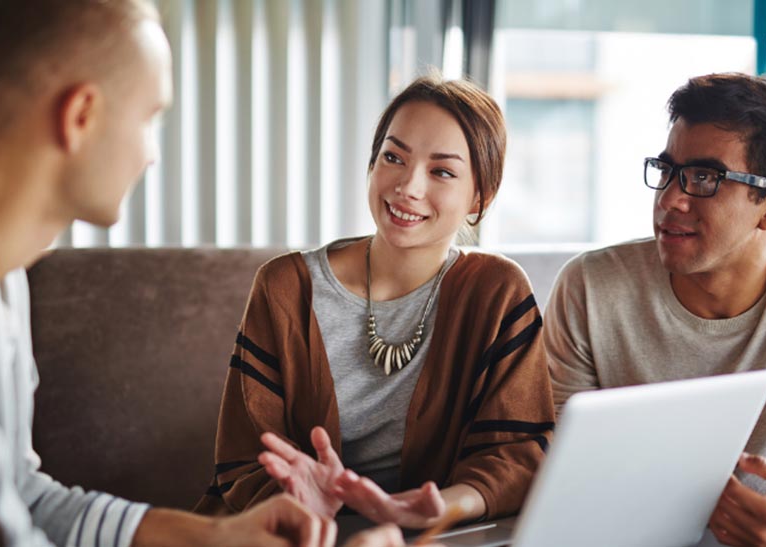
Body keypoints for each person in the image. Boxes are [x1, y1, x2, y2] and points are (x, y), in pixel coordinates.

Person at [0, 1, 403, 546]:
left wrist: (215, 538)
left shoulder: (4, 280)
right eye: (149, 117)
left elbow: (21, 496)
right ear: (80, 116)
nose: (152, 154)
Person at [195, 75, 555, 529]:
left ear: (480, 195)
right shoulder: (285, 286)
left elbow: (518, 456)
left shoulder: (497, 292)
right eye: (393, 157)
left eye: (441, 171)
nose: (408, 186)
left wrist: (440, 508)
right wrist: (305, 506)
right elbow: (243, 456)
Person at [543, 72, 766, 546]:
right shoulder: (590, 288)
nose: (670, 199)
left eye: (705, 177)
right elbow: (557, 466)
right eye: (667, 171)